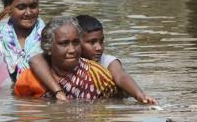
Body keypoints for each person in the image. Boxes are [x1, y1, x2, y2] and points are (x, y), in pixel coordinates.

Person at [29, 15, 157, 104]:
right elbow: (36, 60)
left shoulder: (104, 65)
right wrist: (58, 91)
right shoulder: (51, 62)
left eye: (101, 41)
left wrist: (140, 95)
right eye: (91, 42)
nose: (98, 48)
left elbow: (121, 76)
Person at [14, 16, 123, 100]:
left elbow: (115, 104)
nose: (72, 50)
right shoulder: (30, 78)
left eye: (76, 43)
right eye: (64, 44)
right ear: (48, 48)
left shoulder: (98, 75)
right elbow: (23, 111)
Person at [0, 0, 45, 82]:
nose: (28, 13)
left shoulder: (50, 36)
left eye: (33, 6)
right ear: (8, 10)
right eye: (21, 7)